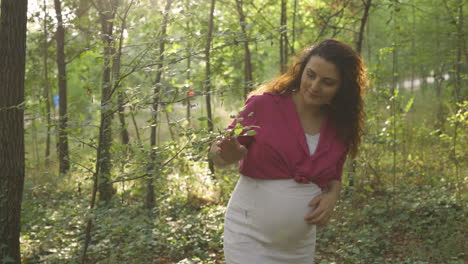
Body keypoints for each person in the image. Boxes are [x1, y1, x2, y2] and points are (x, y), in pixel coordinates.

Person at [210, 39, 367, 264]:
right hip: (248, 237)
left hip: (298, 247)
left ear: (342, 88)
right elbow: (218, 154)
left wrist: (332, 196)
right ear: (301, 71)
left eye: (327, 82)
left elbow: (334, 175)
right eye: (310, 75)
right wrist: (228, 154)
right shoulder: (264, 105)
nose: (314, 86)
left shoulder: (339, 125)